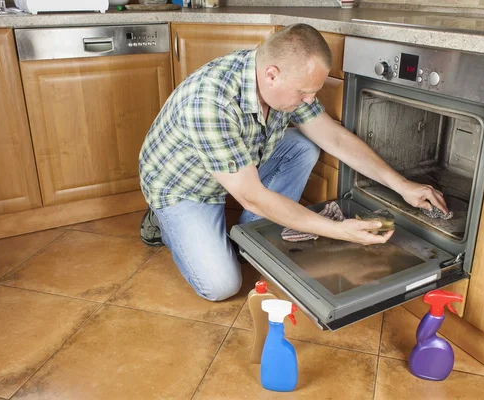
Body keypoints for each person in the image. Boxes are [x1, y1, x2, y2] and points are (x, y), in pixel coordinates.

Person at [138, 23, 448, 302]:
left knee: (303, 145)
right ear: (272, 75)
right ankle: (163, 221)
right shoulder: (210, 102)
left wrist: (403, 185)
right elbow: (252, 196)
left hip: (237, 162)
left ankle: (253, 232)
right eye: (304, 93)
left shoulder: (285, 81)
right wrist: (340, 230)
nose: (310, 100)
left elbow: (334, 138)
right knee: (222, 285)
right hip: (183, 186)